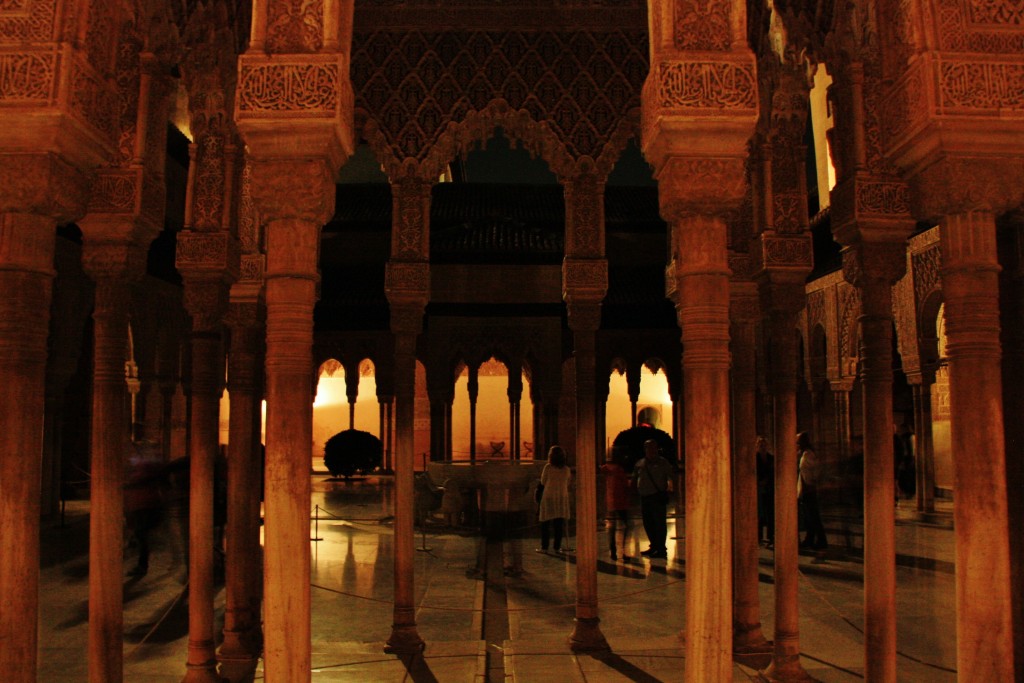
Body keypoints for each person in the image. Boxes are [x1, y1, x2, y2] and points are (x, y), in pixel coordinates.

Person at [634, 439, 673, 559]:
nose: (650, 450)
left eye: (652, 447)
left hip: (657, 496)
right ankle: (654, 546)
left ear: (656, 448)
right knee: (648, 523)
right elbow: (635, 478)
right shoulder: (640, 463)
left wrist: (670, 489)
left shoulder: (663, 463)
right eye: (647, 447)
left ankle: (661, 548)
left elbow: (671, 477)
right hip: (644, 497)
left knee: (659, 523)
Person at [537, 445, 572, 553]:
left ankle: (544, 547)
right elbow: (568, 483)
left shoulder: (548, 467)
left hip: (549, 497)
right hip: (561, 497)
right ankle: (557, 547)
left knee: (545, 523)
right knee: (558, 524)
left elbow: (543, 482)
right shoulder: (566, 469)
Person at [797, 431, 827, 551]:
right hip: (806, 488)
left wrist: (811, 482)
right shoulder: (804, 454)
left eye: (798, 442)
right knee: (808, 517)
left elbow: (815, 470)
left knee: (813, 516)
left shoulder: (808, 455)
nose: (797, 444)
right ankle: (809, 539)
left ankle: (821, 541)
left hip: (808, 489)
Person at [600, 451, 632, 560]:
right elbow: (625, 486)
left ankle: (612, 551)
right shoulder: (619, 470)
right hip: (621, 502)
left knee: (611, 527)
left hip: (610, 502)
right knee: (625, 527)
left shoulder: (605, 469)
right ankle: (623, 551)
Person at [755, 436, 775, 547]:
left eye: (764, 445)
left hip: (769, 489)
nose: (762, 447)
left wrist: (768, 480)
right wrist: (759, 481)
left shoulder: (771, 458)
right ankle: (758, 537)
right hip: (759, 489)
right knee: (759, 514)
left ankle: (770, 536)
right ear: (757, 446)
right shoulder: (755, 458)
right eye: (760, 445)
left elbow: (773, 472)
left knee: (770, 513)